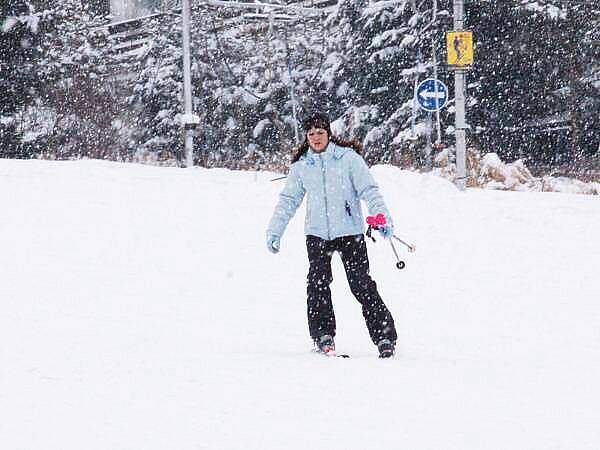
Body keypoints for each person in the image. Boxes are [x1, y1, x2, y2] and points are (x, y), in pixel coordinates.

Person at [266, 112, 398, 358]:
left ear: (329, 133)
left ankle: (384, 337)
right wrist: (275, 231)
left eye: (320, 132)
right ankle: (323, 335)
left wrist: (382, 218)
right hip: (317, 235)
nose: (316, 137)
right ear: (306, 137)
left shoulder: (348, 159)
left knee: (361, 284)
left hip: (350, 233)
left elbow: (369, 190)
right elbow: (288, 201)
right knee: (317, 284)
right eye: (311, 134)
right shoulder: (302, 166)